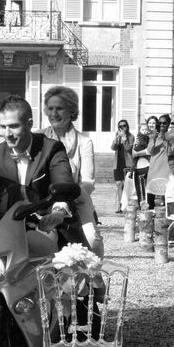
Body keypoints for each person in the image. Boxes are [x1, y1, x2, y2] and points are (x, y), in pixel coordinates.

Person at [0, 95, 75, 257]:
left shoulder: (52, 148)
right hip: (9, 226)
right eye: (3, 126)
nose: (7, 134)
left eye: (13, 126)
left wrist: (57, 213)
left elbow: (63, 181)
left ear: (29, 124)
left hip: (44, 224)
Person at [41, 86, 103, 257]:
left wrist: (65, 202)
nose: (54, 113)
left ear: (71, 111)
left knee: (93, 240)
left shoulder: (84, 142)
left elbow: (88, 182)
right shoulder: (38, 138)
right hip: (44, 201)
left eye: (59, 108)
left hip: (77, 199)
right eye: (50, 108)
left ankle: (94, 279)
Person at [111, 119, 134, 214]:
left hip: (127, 163)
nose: (122, 127)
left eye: (124, 126)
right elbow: (113, 147)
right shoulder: (118, 135)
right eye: (120, 126)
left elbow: (129, 148)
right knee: (118, 184)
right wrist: (117, 139)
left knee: (126, 185)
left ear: (127, 126)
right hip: (118, 163)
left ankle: (126, 205)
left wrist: (124, 138)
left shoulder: (130, 136)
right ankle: (120, 205)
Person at [132, 118, 155, 202]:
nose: (145, 131)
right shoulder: (140, 136)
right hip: (141, 164)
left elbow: (150, 150)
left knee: (147, 187)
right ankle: (142, 203)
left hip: (148, 164)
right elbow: (134, 152)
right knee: (141, 187)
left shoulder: (150, 137)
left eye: (146, 129)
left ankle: (147, 204)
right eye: (143, 129)